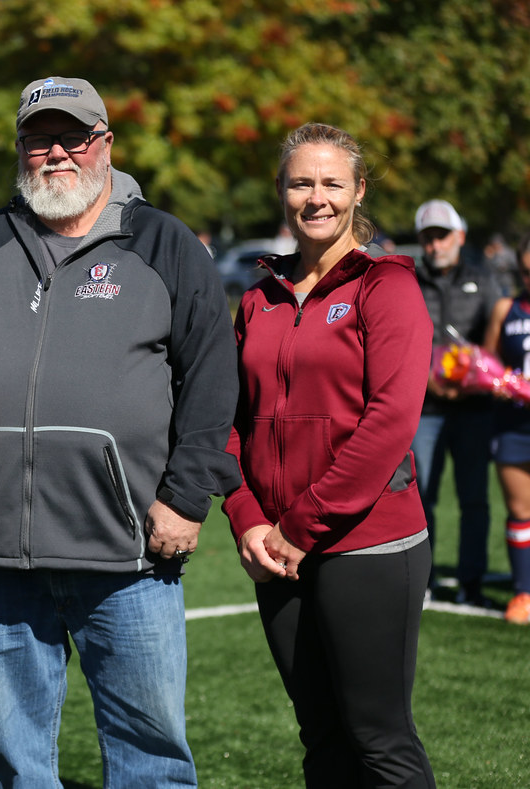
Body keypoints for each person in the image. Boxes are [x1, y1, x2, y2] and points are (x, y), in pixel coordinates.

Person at [0, 76, 239, 788]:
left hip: (128, 558)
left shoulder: (164, 243)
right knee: (11, 760)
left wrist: (188, 498)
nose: (56, 152)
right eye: (39, 138)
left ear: (105, 145)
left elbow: (214, 379)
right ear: (20, 149)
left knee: (149, 760)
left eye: (74, 136)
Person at [224, 122, 435, 787]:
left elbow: (389, 424)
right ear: (282, 191)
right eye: (301, 182)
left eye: (332, 183)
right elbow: (227, 424)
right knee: (321, 737)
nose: (317, 197)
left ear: (358, 190)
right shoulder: (257, 298)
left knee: (378, 739)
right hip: (276, 549)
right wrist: (248, 518)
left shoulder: (387, 286)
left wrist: (298, 528)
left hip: (367, 545)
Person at [411, 198, 503, 606]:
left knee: (474, 498)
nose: (435, 244)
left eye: (442, 235)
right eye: (428, 237)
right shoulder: (406, 279)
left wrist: (473, 379)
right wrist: (427, 382)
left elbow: (494, 344)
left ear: (460, 236)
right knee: (420, 497)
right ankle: (421, 581)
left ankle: (471, 581)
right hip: (422, 409)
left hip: (473, 409)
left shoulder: (484, 280)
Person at [483, 232, 530, 623]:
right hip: (514, 426)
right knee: (518, 509)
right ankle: (522, 593)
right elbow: (487, 365)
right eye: (527, 272)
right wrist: (500, 384)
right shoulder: (506, 308)